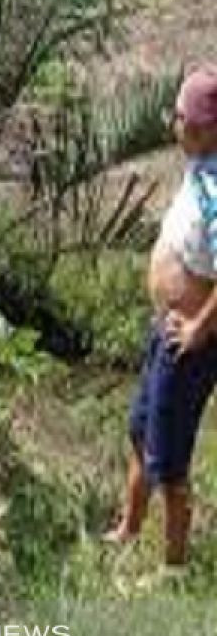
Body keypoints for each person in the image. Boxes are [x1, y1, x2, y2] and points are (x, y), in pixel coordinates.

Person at [109, 66, 217, 569]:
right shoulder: (201, 168)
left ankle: (172, 571)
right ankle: (128, 529)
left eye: (186, 122)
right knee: (139, 430)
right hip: (166, 330)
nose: (176, 129)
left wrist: (198, 328)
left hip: (189, 344)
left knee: (170, 464)